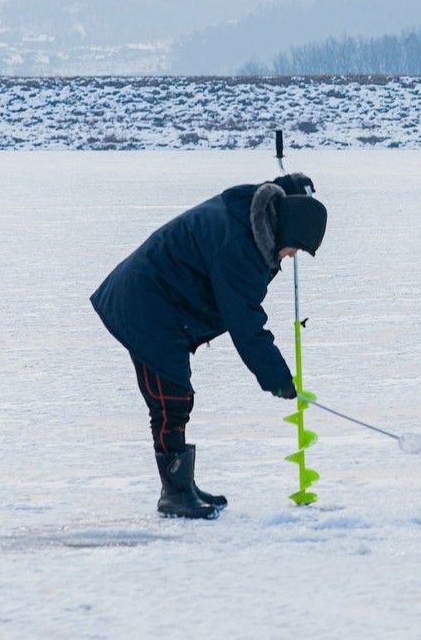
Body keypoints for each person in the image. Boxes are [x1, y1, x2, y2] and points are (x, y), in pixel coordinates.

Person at [90, 173, 328, 520]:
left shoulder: (252, 217)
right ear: (286, 230)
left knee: (174, 399)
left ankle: (182, 486)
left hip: (164, 303)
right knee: (171, 400)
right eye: (295, 248)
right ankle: (175, 493)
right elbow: (245, 321)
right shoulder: (239, 246)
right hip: (145, 305)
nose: (291, 257)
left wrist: (292, 184)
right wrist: (277, 378)